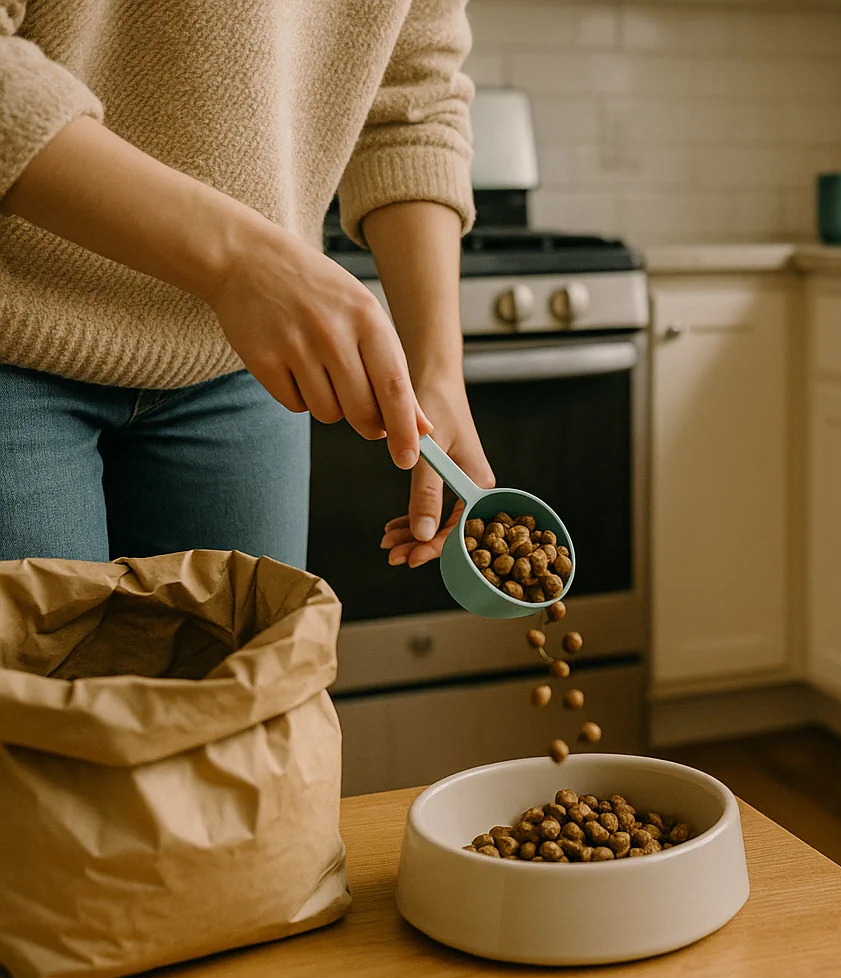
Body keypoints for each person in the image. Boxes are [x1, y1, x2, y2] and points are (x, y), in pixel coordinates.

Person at [0, 0, 493, 571]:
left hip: (241, 371)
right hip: (16, 339)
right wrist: (237, 261)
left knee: (251, 659)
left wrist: (438, 368)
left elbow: (413, 105)